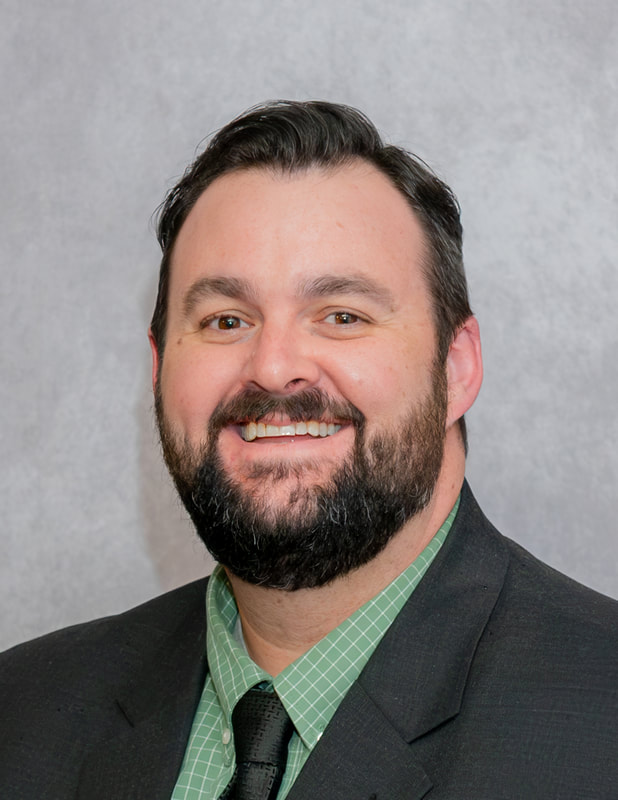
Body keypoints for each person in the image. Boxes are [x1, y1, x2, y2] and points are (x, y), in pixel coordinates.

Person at [1, 101, 616, 800]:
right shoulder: (22, 718)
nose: (272, 367)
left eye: (342, 316)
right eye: (225, 319)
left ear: (457, 368)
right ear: (158, 367)